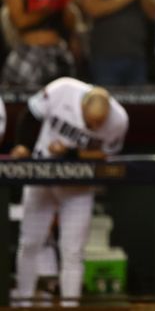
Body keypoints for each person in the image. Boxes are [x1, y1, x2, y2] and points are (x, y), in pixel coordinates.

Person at [10, 78, 128, 306]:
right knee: (30, 242)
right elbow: (31, 114)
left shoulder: (118, 119)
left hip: (78, 186)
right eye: (90, 122)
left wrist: (70, 152)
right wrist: (23, 145)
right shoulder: (63, 89)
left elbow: (104, 155)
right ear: (82, 105)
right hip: (42, 173)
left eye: (98, 124)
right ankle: (23, 302)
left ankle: (69, 305)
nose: (93, 128)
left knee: (73, 252)